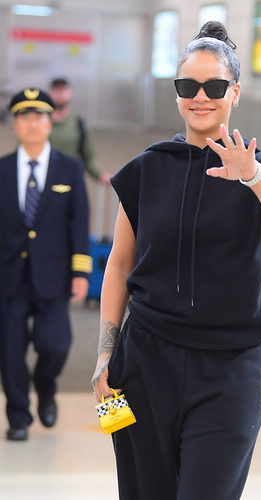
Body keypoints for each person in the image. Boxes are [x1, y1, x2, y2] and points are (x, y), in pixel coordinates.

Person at [92, 21, 261, 500]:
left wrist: (252, 177)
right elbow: (120, 264)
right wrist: (106, 354)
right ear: (176, 92)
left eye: (214, 86)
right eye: (188, 86)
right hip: (142, 363)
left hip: (230, 371)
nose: (200, 97)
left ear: (235, 92)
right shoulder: (147, 168)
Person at [0, 88, 92, 441]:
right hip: (9, 277)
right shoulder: (3, 169)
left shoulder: (70, 168)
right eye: (24, 117)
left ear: (50, 123)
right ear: (15, 124)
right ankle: (18, 417)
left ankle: (46, 386)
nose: (32, 124)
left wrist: (81, 271)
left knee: (55, 345)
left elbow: (78, 223)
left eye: (39, 117)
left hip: (55, 275)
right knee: (10, 351)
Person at [49, 77, 111, 184]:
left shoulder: (79, 123)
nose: (60, 93)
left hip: (69, 181)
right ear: (50, 93)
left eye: (63, 89)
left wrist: (100, 174)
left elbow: (88, 157)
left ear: (71, 93)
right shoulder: (39, 123)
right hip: (43, 180)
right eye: (56, 89)